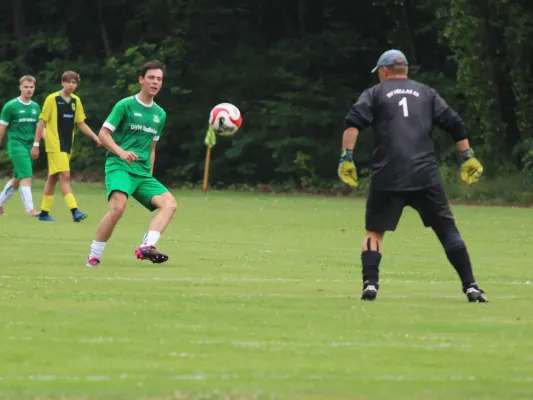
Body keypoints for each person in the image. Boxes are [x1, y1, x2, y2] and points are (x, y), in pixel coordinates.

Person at [337, 49, 488, 303]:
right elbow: (455, 123)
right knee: (447, 229)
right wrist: (468, 156)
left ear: (384, 71)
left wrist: (346, 158)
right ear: (404, 70)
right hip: (424, 174)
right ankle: (471, 286)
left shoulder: (374, 93)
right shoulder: (427, 93)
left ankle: (370, 285)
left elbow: (353, 122)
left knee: (375, 231)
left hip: (388, 173)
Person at [85, 60, 177, 267]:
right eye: (151, 77)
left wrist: (150, 175)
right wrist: (121, 152)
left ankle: (147, 246)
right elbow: (103, 133)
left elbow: (152, 148)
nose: (155, 82)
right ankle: (94, 255)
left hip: (142, 173)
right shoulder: (125, 105)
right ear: (141, 80)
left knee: (169, 204)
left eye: (159, 79)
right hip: (119, 166)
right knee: (118, 208)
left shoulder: (160, 114)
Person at [31, 70, 101, 222]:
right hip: (54, 144)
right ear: (62, 83)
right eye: (68, 82)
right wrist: (36, 145)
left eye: (74, 82)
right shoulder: (52, 99)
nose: (71, 85)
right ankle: (75, 211)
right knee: (65, 176)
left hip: (67, 145)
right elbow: (41, 122)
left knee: (53, 178)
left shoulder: (76, 101)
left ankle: (44, 213)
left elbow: (81, 123)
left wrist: (95, 136)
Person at [0, 75, 41, 216]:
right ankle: (30, 209)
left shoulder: (35, 107)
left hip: (30, 145)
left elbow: (39, 128)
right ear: (20, 88)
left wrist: (50, 143)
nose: (29, 90)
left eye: (31, 87)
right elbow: (2, 128)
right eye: (26, 87)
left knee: (17, 179)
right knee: (27, 175)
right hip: (16, 145)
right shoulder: (11, 106)